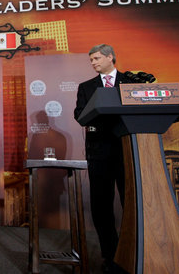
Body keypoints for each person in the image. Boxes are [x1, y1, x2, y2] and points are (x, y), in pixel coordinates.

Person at [74, 44, 130, 273]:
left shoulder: (131, 81)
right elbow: (79, 115)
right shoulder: (86, 87)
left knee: (132, 204)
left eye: (97, 58)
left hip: (128, 151)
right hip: (99, 153)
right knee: (101, 206)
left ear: (110, 57)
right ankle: (111, 256)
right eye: (91, 60)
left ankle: (134, 251)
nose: (94, 63)